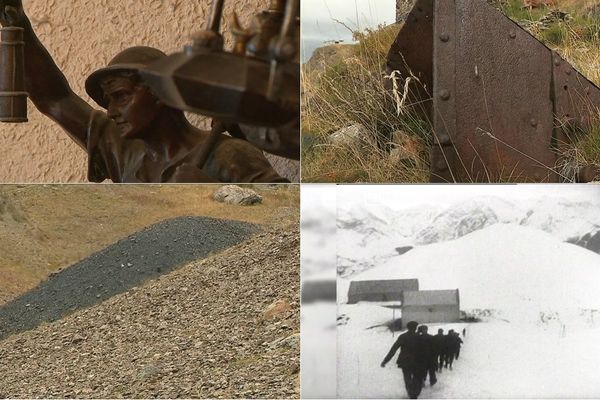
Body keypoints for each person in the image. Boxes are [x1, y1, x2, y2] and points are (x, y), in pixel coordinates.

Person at [0, 1, 288, 183]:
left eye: (122, 97)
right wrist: (17, 22)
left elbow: (284, 234)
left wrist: (211, 195)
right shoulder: (123, 149)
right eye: (109, 101)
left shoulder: (230, 155)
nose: (111, 112)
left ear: (161, 94)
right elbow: (54, 98)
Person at [380, 321, 424, 399]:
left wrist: (385, 361)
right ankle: (415, 394)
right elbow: (426, 351)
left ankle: (411, 393)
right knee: (417, 378)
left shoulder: (403, 336)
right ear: (415, 328)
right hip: (418, 361)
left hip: (405, 361)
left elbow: (393, 349)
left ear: (408, 328)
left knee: (407, 378)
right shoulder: (420, 337)